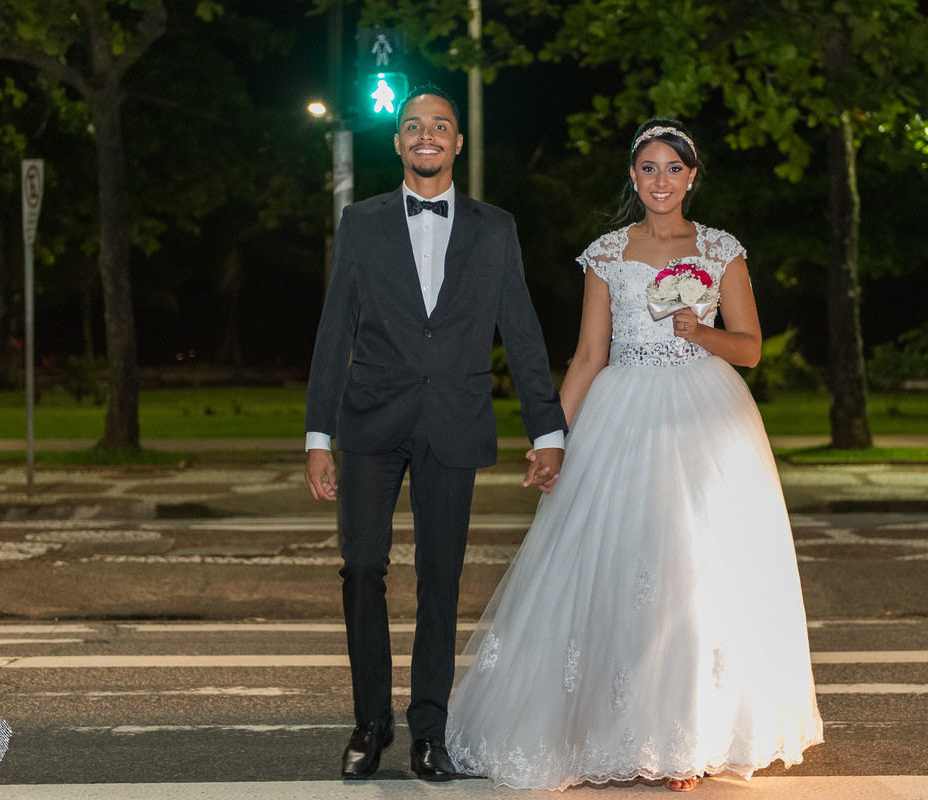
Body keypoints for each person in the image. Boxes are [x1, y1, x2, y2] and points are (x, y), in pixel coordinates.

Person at [445, 118, 823, 792]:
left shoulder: (721, 250)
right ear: (633, 176)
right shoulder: (606, 254)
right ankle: (602, 731)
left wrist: (701, 332)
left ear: (692, 177)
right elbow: (590, 355)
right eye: (648, 168)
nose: (661, 181)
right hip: (621, 416)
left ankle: (686, 741)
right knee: (618, 566)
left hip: (706, 416)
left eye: (673, 169)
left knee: (691, 570)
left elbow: (753, 347)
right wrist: (552, 437)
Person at [304, 84, 567, 782]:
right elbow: (336, 330)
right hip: (370, 421)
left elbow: (523, 331)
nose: (427, 135)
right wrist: (317, 435)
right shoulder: (360, 223)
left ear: (456, 142)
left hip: (453, 418)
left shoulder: (495, 227)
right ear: (397, 143)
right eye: (413, 125)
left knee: (440, 580)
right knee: (362, 568)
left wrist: (549, 429)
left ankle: (428, 731)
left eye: (440, 126)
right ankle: (370, 723)